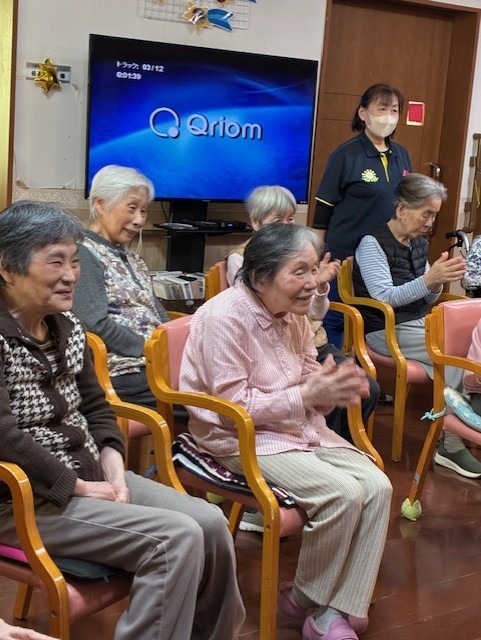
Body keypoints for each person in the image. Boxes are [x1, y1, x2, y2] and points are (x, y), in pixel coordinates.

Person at [0, 201, 245, 640]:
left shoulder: (67, 325)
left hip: (87, 476)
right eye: (55, 261)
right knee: (175, 538)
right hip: (23, 500)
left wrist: (113, 467)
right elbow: (5, 437)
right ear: (7, 268)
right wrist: (77, 486)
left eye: (75, 260)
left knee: (210, 525)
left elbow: (97, 408)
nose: (71, 275)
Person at [181, 223, 393, 640]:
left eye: (313, 270)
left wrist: (326, 389)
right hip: (239, 438)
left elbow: (308, 369)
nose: (312, 283)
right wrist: (308, 395)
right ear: (260, 277)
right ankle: (314, 604)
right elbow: (234, 409)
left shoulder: (293, 312)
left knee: (378, 486)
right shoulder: (223, 318)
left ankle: (328, 605)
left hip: (297, 429)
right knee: (342, 493)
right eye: (299, 272)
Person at [353, 172, 481, 478]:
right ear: (402, 210)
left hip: (415, 323)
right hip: (383, 328)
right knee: (454, 355)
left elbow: (426, 297)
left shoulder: (417, 243)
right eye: (426, 213)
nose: (430, 223)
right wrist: (429, 279)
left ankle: (458, 427)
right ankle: (451, 441)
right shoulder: (372, 244)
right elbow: (384, 298)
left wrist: (436, 282)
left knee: (466, 345)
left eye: (434, 215)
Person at [312, 83, 412, 350]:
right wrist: (317, 254)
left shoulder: (402, 155)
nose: (388, 116)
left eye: (394, 110)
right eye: (382, 109)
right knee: (337, 318)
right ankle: (334, 367)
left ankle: (367, 371)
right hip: (346, 253)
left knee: (374, 319)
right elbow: (323, 207)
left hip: (385, 256)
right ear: (363, 113)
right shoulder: (346, 154)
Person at [72, 165, 169, 409]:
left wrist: (172, 342)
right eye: (132, 208)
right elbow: (94, 323)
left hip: (156, 362)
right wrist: (147, 348)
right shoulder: (84, 253)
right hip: (124, 371)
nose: (139, 220)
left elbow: (156, 310)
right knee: (207, 398)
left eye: (143, 211)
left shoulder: (133, 257)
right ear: (101, 204)